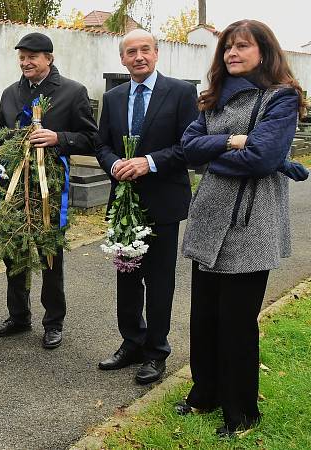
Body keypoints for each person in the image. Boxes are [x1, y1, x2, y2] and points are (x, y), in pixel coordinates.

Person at [179, 19, 309, 437]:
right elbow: (188, 147)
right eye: (227, 48)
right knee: (205, 316)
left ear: (264, 52)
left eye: (242, 47)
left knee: (237, 322)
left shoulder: (281, 98)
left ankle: (242, 412)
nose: (232, 54)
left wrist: (222, 151)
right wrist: (234, 141)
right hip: (208, 217)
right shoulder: (213, 97)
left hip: (250, 223)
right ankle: (205, 394)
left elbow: (263, 158)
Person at [95, 29, 198, 384]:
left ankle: (156, 351)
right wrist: (113, 165)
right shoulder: (112, 97)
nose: (138, 57)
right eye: (130, 52)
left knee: (158, 281)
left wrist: (148, 162)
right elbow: (101, 144)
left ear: (156, 54)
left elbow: (190, 146)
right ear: (122, 59)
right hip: (123, 204)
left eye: (145, 50)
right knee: (127, 276)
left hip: (163, 202)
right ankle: (131, 341)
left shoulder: (182, 92)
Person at [0, 32, 99, 349]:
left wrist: (58, 138)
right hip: (13, 187)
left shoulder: (72, 92)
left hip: (49, 189)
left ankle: (53, 322)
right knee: (14, 253)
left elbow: (90, 138)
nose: (25, 62)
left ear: (48, 58)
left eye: (32, 56)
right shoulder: (10, 93)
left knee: (49, 256)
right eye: (21, 57)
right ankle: (19, 317)